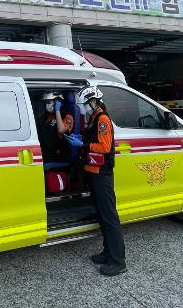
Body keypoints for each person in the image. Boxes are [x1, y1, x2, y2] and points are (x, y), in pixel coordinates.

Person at [65, 86, 127, 276]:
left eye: (85, 104)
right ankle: (108, 252)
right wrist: (80, 139)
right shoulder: (93, 118)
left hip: (102, 173)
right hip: (94, 171)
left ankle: (118, 261)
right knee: (102, 215)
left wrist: (83, 144)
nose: (84, 108)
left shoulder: (102, 119)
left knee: (109, 216)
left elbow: (104, 147)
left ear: (93, 102)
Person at [38, 92, 74, 163]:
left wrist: (57, 109)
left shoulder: (67, 117)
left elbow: (61, 130)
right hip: (46, 149)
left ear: (57, 102)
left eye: (49, 102)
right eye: (46, 102)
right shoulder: (49, 116)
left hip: (58, 153)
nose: (47, 105)